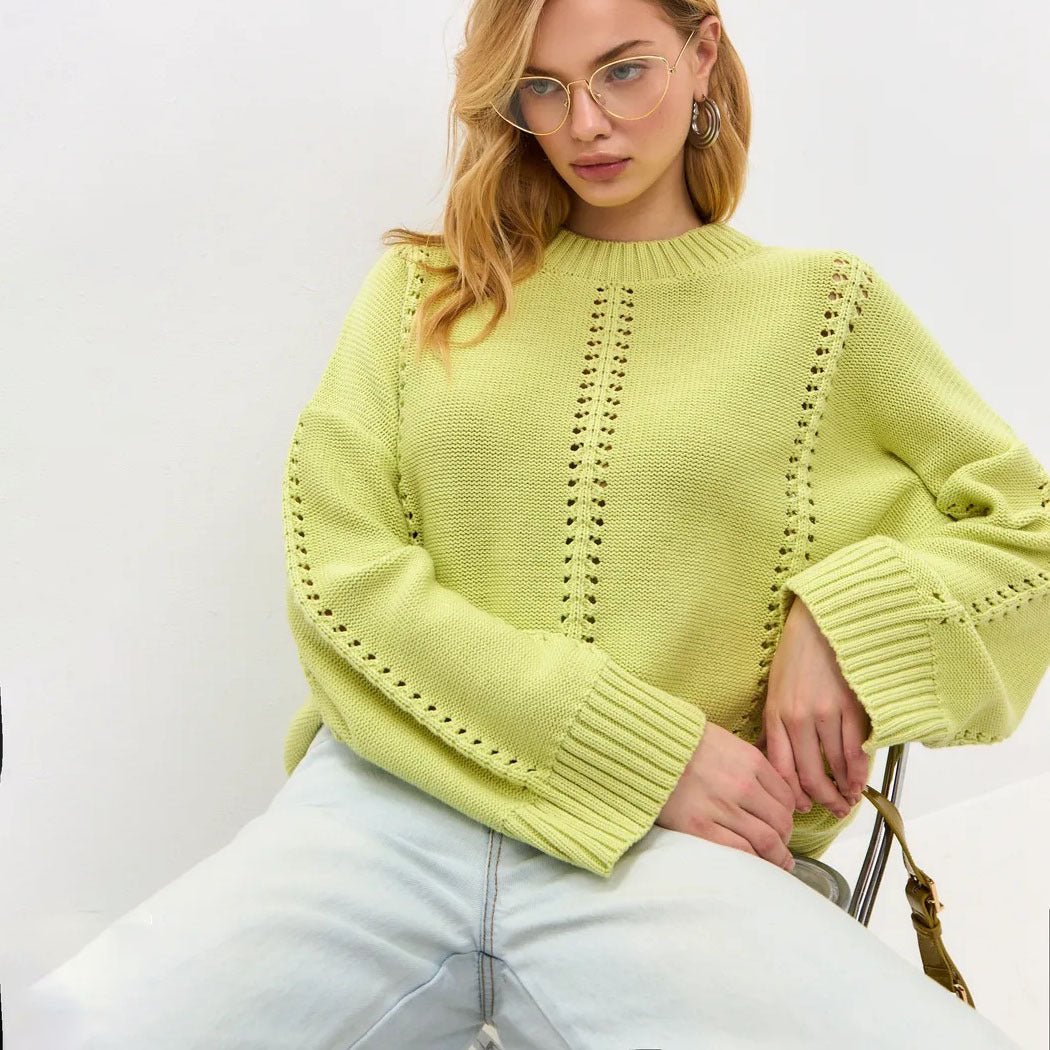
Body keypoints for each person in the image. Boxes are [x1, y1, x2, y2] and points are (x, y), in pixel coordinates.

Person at [27, 0, 1048, 1047]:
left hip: (678, 862)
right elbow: (340, 577)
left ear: (702, 53)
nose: (585, 124)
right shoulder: (421, 291)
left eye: (623, 71)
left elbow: (1028, 534)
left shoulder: (822, 309)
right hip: (388, 814)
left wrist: (845, 619)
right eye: (542, 88)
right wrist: (635, 751)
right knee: (85, 1027)